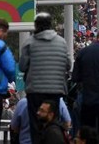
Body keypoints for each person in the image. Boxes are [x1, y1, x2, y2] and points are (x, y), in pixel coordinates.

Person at [20, 13, 71, 144]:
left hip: (35, 91)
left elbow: (22, 66)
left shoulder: (29, 43)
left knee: (36, 124)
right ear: (50, 25)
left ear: (36, 25)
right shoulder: (62, 42)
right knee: (54, 123)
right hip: (56, 91)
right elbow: (68, 65)